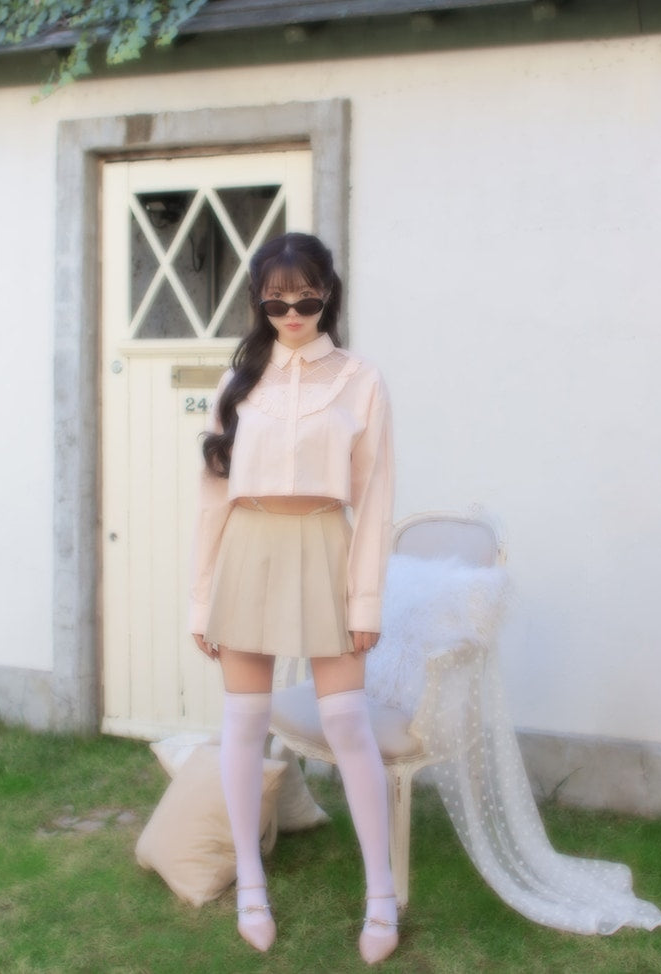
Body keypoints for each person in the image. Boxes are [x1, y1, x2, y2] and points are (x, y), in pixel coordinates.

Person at [189, 232, 397, 964]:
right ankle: (251, 884)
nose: (292, 313)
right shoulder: (240, 382)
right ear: (258, 302)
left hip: (325, 542)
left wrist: (365, 603)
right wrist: (200, 601)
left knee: (346, 722)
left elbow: (375, 498)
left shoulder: (361, 380)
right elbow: (211, 501)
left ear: (327, 294)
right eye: (276, 301)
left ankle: (381, 894)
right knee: (244, 723)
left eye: (305, 297)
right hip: (246, 546)